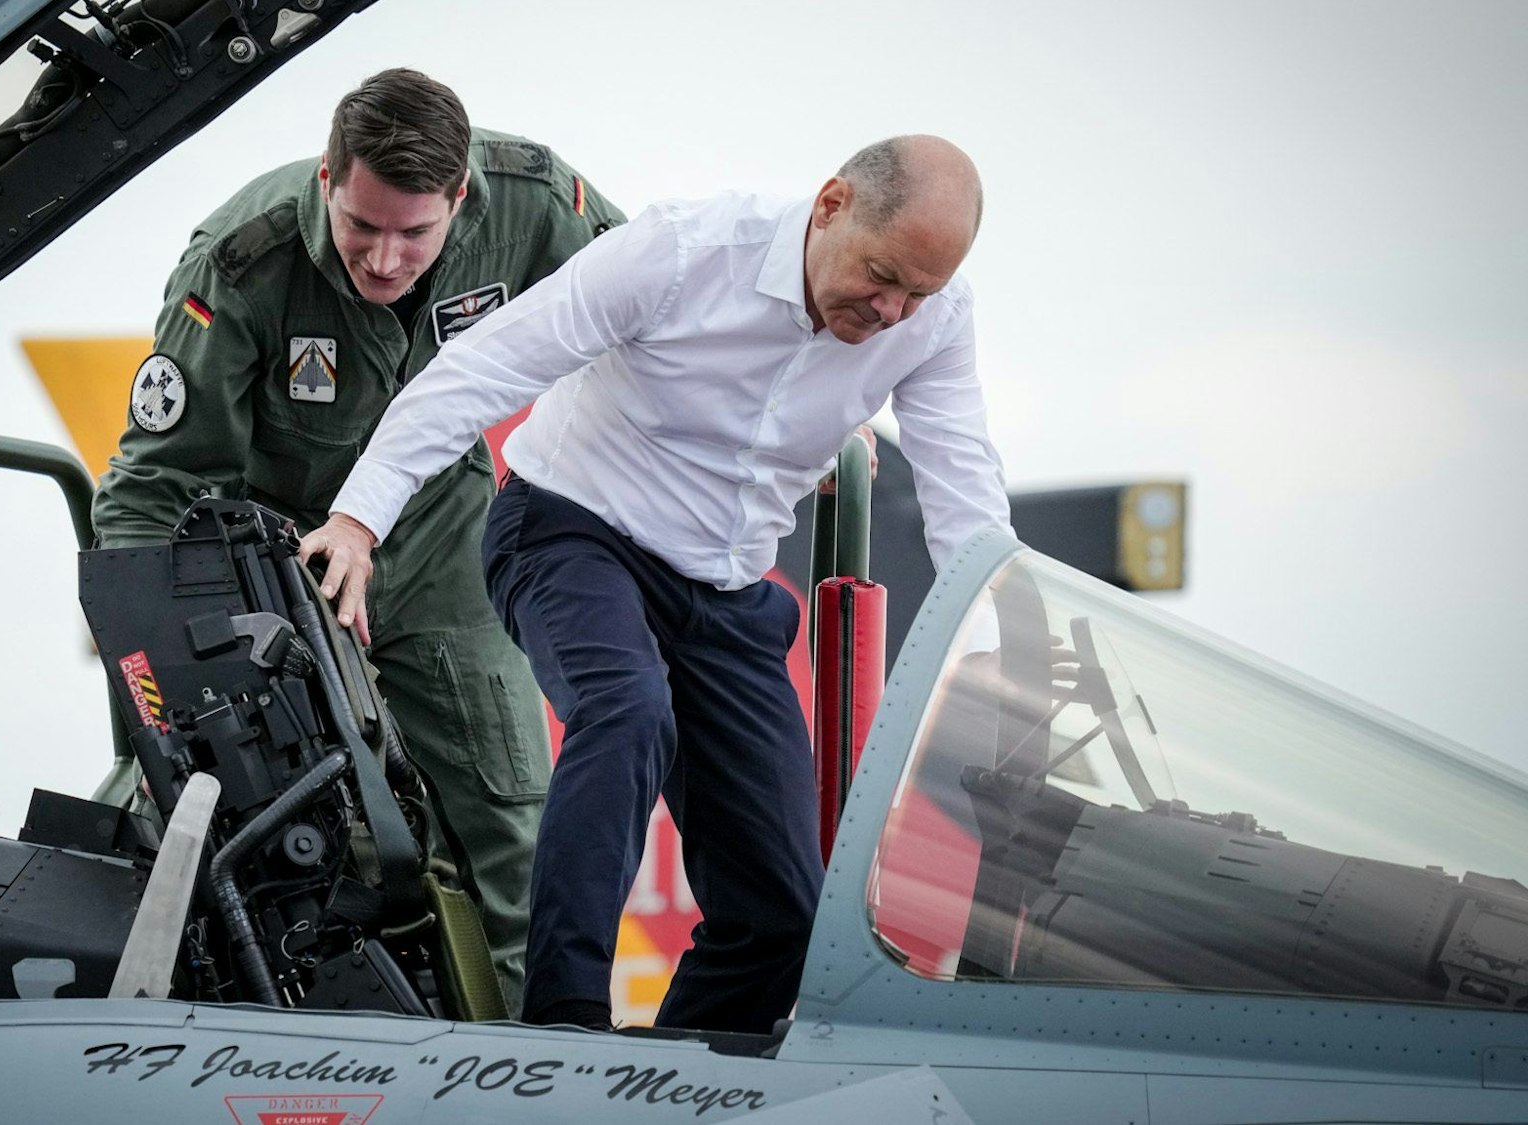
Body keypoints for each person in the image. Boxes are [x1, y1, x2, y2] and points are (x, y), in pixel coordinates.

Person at [299, 135, 1013, 1033]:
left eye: (919, 292)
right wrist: (361, 518)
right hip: (571, 527)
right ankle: (564, 1026)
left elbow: (962, 482)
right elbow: (487, 365)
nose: (893, 309)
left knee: (784, 910)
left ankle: (672, 1084)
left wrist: (999, 643)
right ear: (830, 204)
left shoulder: (932, 321)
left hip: (724, 588)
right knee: (629, 706)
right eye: (881, 277)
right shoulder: (683, 250)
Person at [91, 69, 625, 1015]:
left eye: (415, 235)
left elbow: (656, 296)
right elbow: (151, 488)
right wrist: (157, 680)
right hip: (271, 552)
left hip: (433, 530)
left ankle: (540, 1063)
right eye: (362, 226)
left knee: (510, 814)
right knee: (195, 797)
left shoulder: (536, 204)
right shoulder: (239, 265)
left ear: (461, 198)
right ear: (329, 177)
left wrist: (782, 387)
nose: (384, 261)